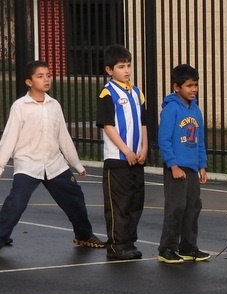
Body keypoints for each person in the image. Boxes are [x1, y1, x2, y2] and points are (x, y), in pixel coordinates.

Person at [0, 60, 104, 251]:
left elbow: (63, 136)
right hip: (28, 165)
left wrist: (77, 164)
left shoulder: (54, 105)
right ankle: (1, 236)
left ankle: (83, 235)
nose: (46, 79)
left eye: (48, 75)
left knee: (75, 200)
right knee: (16, 203)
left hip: (55, 164)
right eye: (40, 76)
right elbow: (9, 138)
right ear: (29, 82)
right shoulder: (20, 107)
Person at [96, 44, 148, 261]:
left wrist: (144, 147)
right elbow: (108, 125)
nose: (126, 70)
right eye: (120, 66)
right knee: (119, 204)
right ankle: (116, 245)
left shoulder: (136, 91)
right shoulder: (108, 92)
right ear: (110, 70)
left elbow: (143, 122)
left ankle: (129, 242)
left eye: (128, 65)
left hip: (136, 158)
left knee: (136, 201)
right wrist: (125, 150)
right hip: (118, 159)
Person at [156, 64, 209, 264]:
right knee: (176, 208)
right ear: (177, 87)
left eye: (195, 85)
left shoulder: (195, 109)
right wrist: (173, 165)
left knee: (193, 206)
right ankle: (167, 248)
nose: (193, 89)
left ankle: (188, 247)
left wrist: (202, 164)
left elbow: (200, 140)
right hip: (176, 168)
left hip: (192, 167)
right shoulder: (171, 109)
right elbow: (164, 140)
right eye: (189, 86)